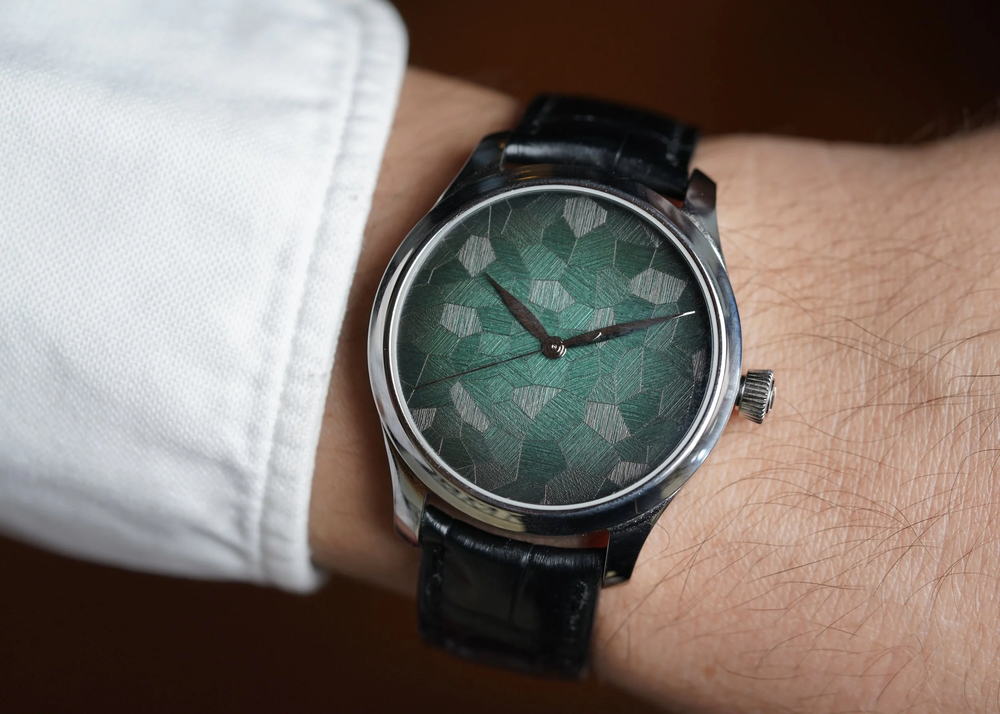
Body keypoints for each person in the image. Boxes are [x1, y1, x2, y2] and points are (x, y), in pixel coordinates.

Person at [1, 1, 997, 711]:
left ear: (742, 392)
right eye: (552, 342)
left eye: (557, 345)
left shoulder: (624, 511)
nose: (555, 350)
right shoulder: (524, 205)